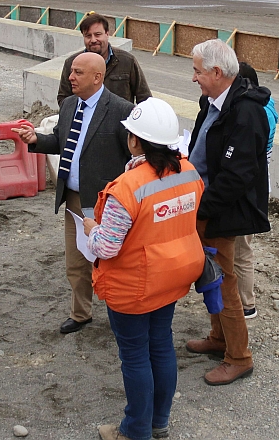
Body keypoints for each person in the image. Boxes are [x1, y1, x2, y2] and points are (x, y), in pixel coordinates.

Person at [82, 98, 205, 440]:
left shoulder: (129, 187)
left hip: (133, 286)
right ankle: (159, 422)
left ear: (135, 140)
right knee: (161, 345)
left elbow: (107, 246)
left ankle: (135, 431)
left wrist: (92, 228)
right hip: (173, 275)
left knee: (135, 356)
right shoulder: (188, 171)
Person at [14, 52, 134, 334]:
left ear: (97, 77)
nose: (70, 77)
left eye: (78, 72)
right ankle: (81, 313)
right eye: (71, 71)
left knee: (115, 260)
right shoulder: (68, 105)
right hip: (74, 199)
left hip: (108, 202)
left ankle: (124, 315)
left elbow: (132, 156)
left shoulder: (121, 110)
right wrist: (36, 140)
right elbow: (61, 141)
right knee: (77, 261)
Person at [185, 39, 271, 386]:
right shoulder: (212, 102)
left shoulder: (246, 112)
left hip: (220, 210)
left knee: (224, 282)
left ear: (217, 73)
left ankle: (239, 357)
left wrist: (202, 211)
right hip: (206, 205)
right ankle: (218, 339)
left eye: (197, 71)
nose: (194, 78)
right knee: (211, 278)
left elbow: (236, 175)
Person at [233, 62, 278, 320]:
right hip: (257, 187)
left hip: (249, 190)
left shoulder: (256, 113)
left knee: (242, 251)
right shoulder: (268, 105)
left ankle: (246, 305)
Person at [57, 12, 151, 107]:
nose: (93, 40)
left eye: (98, 34)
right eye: (88, 36)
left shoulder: (127, 61)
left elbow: (144, 98)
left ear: (107, 34)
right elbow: (63, 99)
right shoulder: (72, 63)